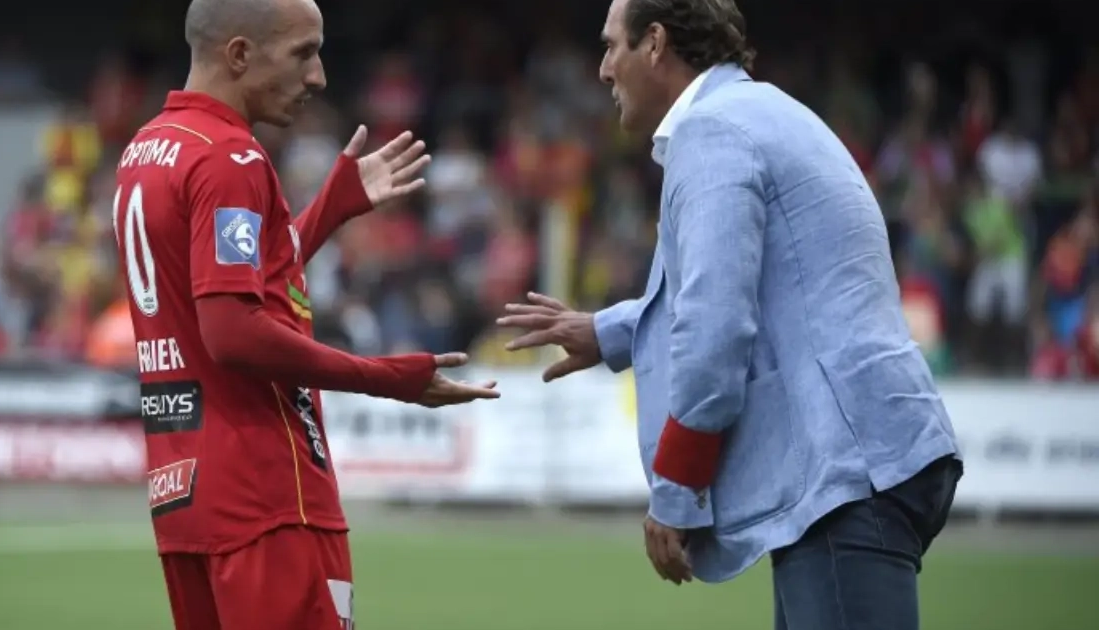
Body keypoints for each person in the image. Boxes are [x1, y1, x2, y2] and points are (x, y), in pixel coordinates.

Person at [497, 1, 961, 629]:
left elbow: (715, 331)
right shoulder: (758, 113)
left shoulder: (712, 132)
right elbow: (762, 291)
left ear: (655, 43)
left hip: (845, 471)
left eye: (610, 47)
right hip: (864, 458)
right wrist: (607, 332)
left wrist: (676, 490)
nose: (603, 69)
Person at [113, 0, 500, 628]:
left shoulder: (150, 149)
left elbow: (241, 283)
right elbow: (233, 332)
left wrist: (329, 209)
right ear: (240, 54)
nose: (318, 76)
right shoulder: (229, 158)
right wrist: (384, 377)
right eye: (303, 53)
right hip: (270, 493)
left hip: (186, 493)